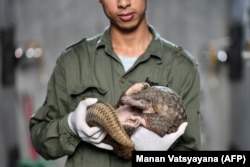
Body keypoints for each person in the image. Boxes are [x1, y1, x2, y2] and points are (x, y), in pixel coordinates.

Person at [30, 0, 201, 166]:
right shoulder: (71, 61)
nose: (123, 3)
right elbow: (40, 139)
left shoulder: (183, 67)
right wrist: (71, 126)